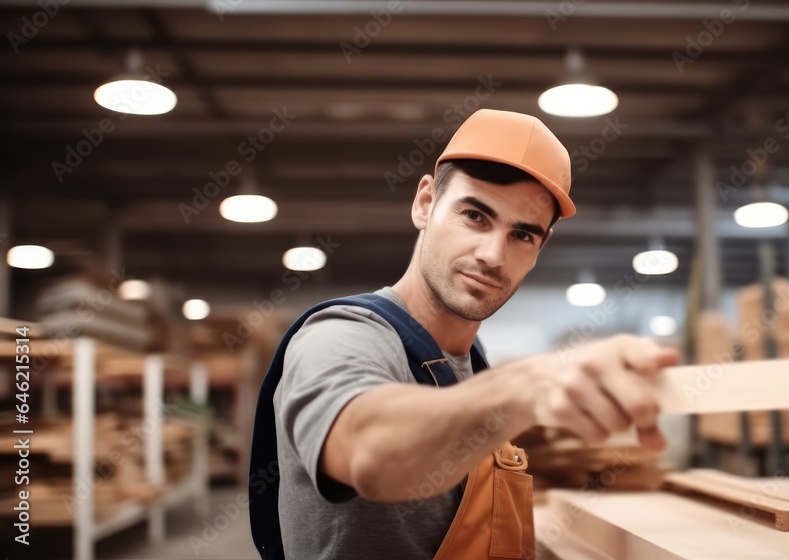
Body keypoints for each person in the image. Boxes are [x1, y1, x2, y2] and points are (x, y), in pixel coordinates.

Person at [248, 109, 678, 559]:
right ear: (425, 203)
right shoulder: (340, 336)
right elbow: (369, 452)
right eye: (475, 215)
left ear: (540, 248)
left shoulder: (472, 367)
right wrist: (526, 386)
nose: (493, 254)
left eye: (523, 235)